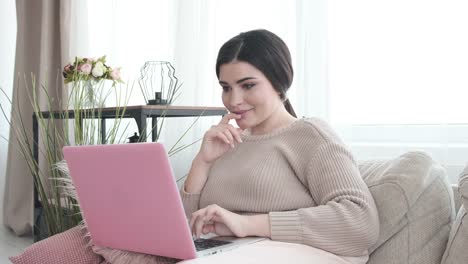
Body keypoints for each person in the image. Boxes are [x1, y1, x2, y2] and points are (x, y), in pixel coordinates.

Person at [179, 29, 380, 263]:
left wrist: (248, 224)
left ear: (279, 83)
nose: (233, 101)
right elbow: (189, 224)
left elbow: (361, 222)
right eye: (226, 88)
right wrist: (202, 162)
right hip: (228, 253)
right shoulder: (227, 141)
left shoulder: (310, 135)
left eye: (248, 85)